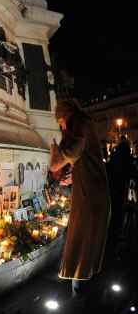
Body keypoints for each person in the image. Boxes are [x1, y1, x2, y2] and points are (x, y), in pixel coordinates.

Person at [50, 99, 111, 303]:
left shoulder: (80, 125)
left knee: (80, 240)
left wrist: (54, 151)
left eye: (60, 122)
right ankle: (78, 289)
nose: (61, 127)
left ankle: (78, 297)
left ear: (66, 116)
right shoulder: (82, 124)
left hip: (90, 196)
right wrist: (73, 174)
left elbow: (72, 152)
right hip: (90, 192)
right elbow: (83, 158)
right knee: (81, 240)